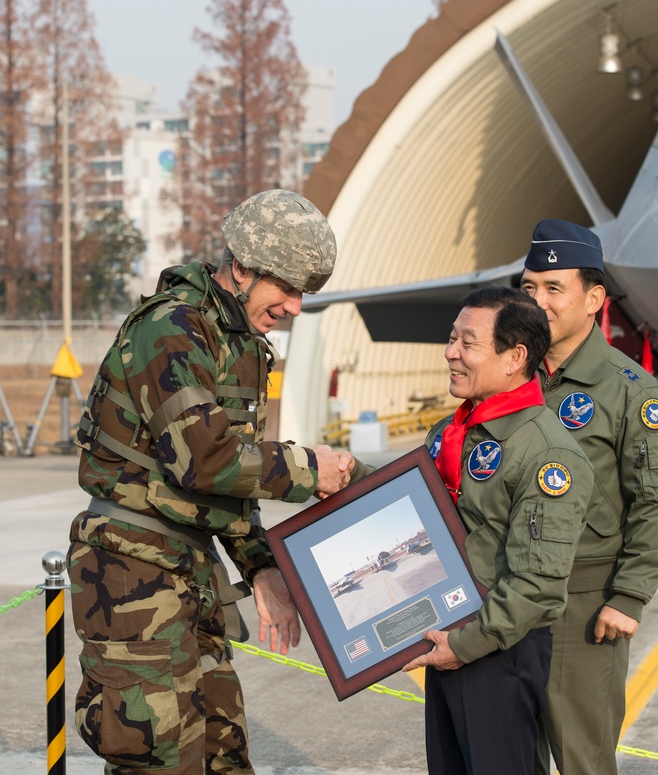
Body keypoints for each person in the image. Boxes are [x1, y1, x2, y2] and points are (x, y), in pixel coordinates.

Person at [67, 189, 361, 774]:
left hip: (187, 571)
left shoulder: (239, 345)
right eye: (287, 287)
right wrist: (309, 470)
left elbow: (232, 479)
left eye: (305, 292)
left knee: (222, 755)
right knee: (160, 761)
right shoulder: (172, 330)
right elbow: (204, 460)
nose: (296, 307)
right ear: (244, 267)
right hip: (133, 572)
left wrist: (260, 566)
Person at [403, 286, 593, 775]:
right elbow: (416, 503)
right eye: (451, 339)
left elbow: (537, 584)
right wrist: (345, 474)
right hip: (451, 637)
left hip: (497, 649)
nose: (451, 352)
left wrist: (464, 646)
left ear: (515, 358)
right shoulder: (450, 433)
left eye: (467, 342)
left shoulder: (549, 453)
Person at [520, 219, 658, 775]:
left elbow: (655, 500)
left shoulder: (632, 392)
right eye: (528, 289)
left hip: (583, 602)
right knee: (511, 755)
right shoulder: (509, 377)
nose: (536, 301)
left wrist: (630, 595)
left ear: (594, 299)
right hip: (505, 594)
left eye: (552, 288)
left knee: (582, 756)